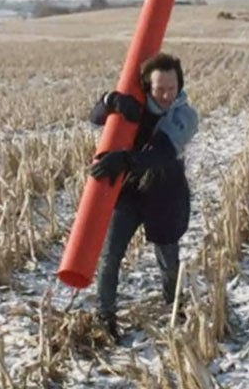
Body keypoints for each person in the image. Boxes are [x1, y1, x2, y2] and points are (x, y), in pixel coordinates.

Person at [87, 52, 200, 342]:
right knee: (111, 255)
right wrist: (109, 101)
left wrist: (123, 160)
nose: (165, 95)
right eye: (159, 89)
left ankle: (175, 308)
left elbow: (161, 153)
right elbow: (96, 118)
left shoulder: (185, 114)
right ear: (148, 86)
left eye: (171, 89)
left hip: (165, 192)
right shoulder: (136, 102)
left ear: (180, 85)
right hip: (130, 192)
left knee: (168, 257)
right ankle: (105, 315)